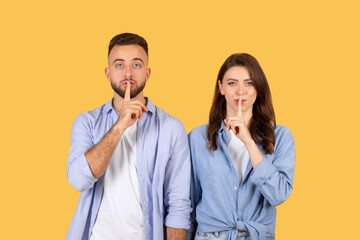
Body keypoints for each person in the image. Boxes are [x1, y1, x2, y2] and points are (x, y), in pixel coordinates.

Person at [66, 33, 191, 240]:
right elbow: (78, 180)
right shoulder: (86, 122)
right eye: (119, 65)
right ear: (108, 73)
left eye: (136, 65)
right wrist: (120, 125)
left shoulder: (172, 128)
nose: (128, 73)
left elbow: (178, 204)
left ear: (148, 73)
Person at [186, 53, 295, 240]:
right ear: (221, 87)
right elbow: (189, 200)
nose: (240, 91)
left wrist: (249, 142)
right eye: (232, 83)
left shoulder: (281, 136)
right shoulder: (197, 138)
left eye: (249, 83)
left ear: (258, 88)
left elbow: (278, 194)